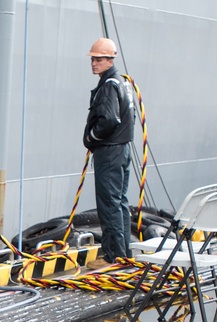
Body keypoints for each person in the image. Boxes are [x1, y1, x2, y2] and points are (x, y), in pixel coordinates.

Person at [82, 37, 135, 269]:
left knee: (109, 203)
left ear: (110, 60)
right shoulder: (121, 83)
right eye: (93, 59)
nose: (94, 63)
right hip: (122, 149)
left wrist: (91, 137)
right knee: (120, 202)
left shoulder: (108, 86)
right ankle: (123, 253)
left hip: (110, 151)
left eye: (99, 59)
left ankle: (113, 256)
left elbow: (109, 120)